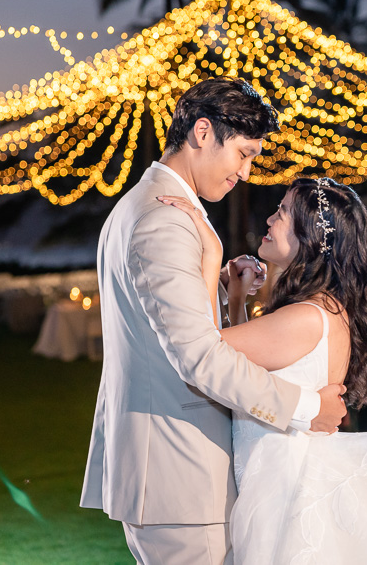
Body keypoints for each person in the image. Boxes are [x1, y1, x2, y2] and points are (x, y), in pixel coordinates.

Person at [79, 77, 346, 564]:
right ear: (203, 133)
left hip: (172, 467)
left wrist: (222, 280)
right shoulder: (165, 219)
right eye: (243, 154)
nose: (246, 172)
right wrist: (307, 408)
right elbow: (199, 357)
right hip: (180, 468)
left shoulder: (152, 207)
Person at [162, 177, 367, 564]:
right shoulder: (325, 307)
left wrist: (209, 258)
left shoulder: (307, 316)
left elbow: (204, 353)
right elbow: (241, 365)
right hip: (280, 475)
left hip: (285, 488)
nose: (271, 219)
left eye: (284, 212)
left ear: (310, 237)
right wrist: (237, 297)